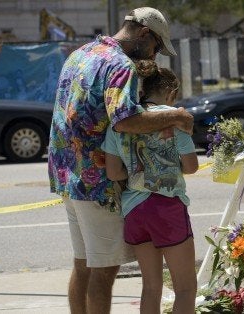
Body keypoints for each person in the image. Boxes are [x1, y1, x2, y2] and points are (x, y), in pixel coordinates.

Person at [47, 7, 193, 313]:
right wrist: (176, 116)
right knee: (104, 270)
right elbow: (125, 120)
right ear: (143, 34)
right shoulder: (120, 64)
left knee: (84, 264)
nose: (153, 57)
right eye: (155, 47)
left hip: (68, 176)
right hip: (97, 183)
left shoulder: (81, 53)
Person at [102, 61, 198, 313]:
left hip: (134, 210)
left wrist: (136, 172)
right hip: (167, 207)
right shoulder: (176, 119)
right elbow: (191, 166)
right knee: (186, 288)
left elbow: (113, 172)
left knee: (151, 287)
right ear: (171, 93)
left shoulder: (122, 122)